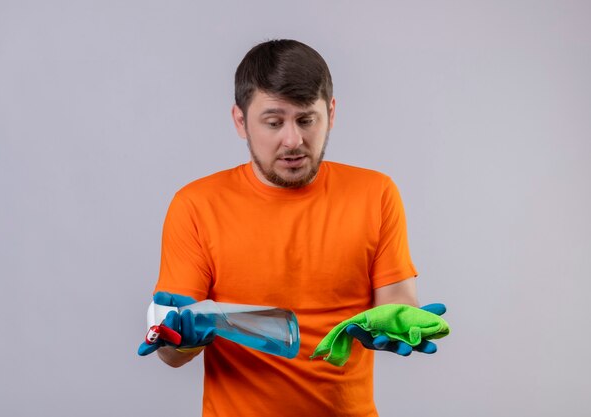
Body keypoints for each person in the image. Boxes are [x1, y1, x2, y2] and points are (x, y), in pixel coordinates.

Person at [139, 39, 445, 417]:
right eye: (273, 122)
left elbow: (398, 300)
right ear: (240, 121)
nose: (293, 140)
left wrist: (396, 322)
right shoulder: (196, 205)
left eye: (306, 119)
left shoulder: (376, 193)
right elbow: (170, 354)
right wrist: (180, 339)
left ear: (331, 113)